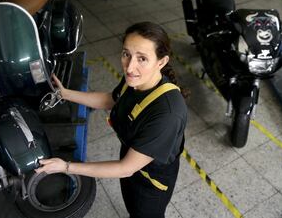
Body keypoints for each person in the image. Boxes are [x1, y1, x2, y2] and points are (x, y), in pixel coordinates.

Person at [36, 21, 188, 218]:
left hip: (151, 182)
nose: (130, 67)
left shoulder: (167, 114)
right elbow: (110, 100)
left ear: (161, 62)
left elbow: (125, 168)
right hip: (131, 157)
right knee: (132, 206)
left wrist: (66, 167)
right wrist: (66, 94)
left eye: (142, 58)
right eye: (126, 54)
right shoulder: (135, 80)